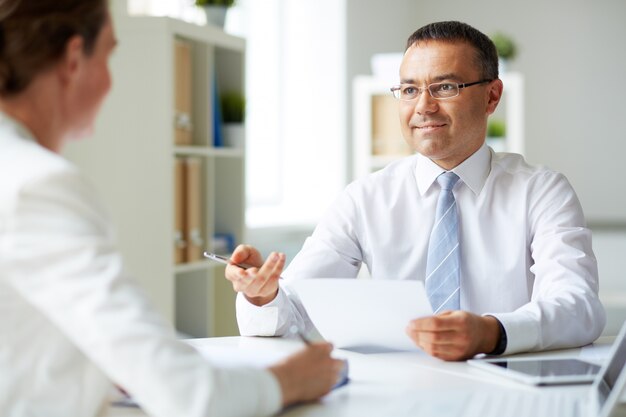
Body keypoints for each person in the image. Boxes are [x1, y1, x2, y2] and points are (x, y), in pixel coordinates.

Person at [0, 1, 343, 416]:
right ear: (74, 59)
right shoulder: (38, 184)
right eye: (109, 55)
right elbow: (192, 397)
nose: (112, 81)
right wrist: (290, 380)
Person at [225, 21, 606, 361]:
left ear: (492, 96)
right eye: (409, 90)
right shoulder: (365, 198)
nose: (423, 107)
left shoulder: (540, 191)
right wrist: (263, 296)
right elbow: (297, 310)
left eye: (445, 87)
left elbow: (578, 306)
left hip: (508, 388)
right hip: (397, 391)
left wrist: (491, 332)